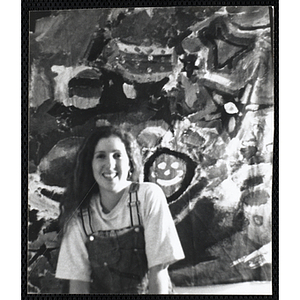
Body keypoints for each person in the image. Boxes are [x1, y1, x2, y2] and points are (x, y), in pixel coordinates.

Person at [55, 125, 185, 294]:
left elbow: (158, 270)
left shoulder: (148, 197)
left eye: (117, 155)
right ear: (91, 165)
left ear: (130, 162)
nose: (110, 164)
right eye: (101, 156)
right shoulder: (79, 215)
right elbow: (78, 283)